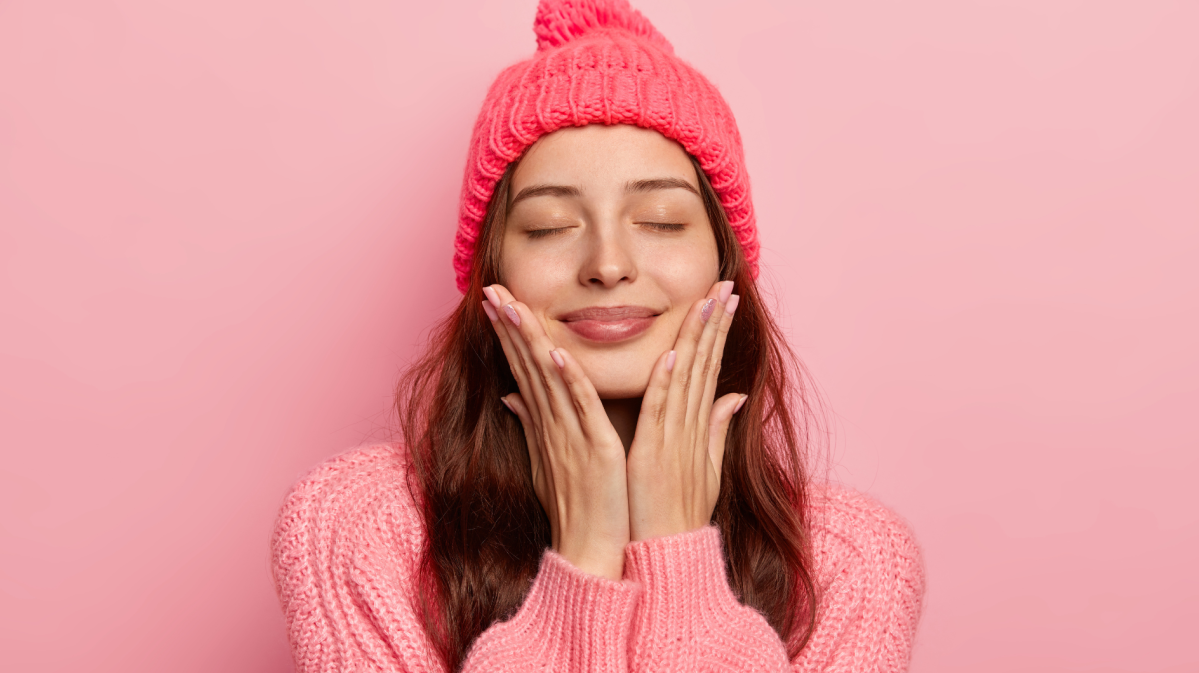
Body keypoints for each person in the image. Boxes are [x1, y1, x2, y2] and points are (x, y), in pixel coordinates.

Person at [271, 1, 925, 671]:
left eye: (663, 220)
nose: (608, 264)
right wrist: (581, 561)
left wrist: (678, 561)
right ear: (490, 272)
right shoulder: (362, 525)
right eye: (549, 226)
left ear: (723, 265)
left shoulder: (850, 560)